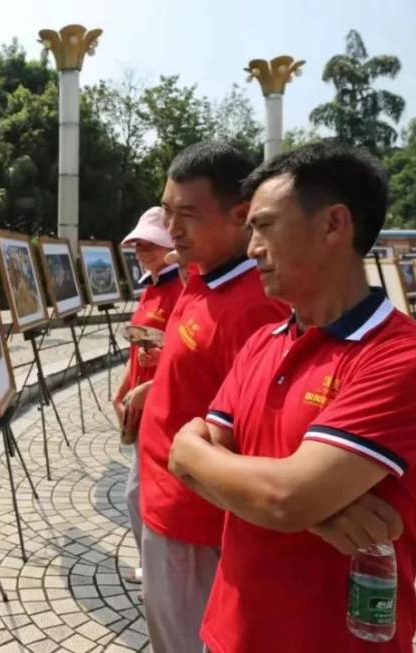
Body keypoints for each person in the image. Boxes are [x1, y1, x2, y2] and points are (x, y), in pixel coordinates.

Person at [168, 143, 416, 652]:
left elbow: (281, 496)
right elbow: (184, 454)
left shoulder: (406, 358)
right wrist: (315, 511)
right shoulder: (265, 342)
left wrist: (291, 501)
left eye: (265, 225)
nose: (252, 246)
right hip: (228, 631)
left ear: (333, 225)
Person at [137, 143, 288, 652]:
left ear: (240, 215)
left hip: (195, 523)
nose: (172, 229)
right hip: (163, 502)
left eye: (187, 215)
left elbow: (256, 433)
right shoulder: (201, 278)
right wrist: (152, 388)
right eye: (166, 211)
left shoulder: (254, 308)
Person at [112, 206, 184, 590]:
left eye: (151, 243)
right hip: (143, 403)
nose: (143, 250)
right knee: (140, 492)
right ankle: (152, 565)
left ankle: (157, 569)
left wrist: (149, 386)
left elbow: (188, 354)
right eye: (138, 244)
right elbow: (140, 349)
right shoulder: (152, 288)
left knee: (139, 493)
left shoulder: (180, 289)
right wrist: (124, 388)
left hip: (166, 405)